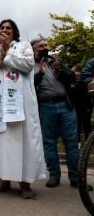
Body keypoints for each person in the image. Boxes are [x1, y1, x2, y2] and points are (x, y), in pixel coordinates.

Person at [0, 20, 45, 198]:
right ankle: (4, 179)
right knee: (1, 141)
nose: (5, 30)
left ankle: (25, 182)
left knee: (22, 140)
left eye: (8, 28)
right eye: (2, 28)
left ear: (14, 32)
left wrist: (7, 51)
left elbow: (28, 65)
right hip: (0, 104)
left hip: (21, 104)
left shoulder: (23, 46)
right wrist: (0, 58)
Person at [31, 37, 87, 190]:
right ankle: (54, 175)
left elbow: (73, 77)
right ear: (34, 50)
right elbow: (30, 84)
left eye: (46, 45)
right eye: (41, 46)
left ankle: (76, 178)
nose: (45, 47)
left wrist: (58, 71)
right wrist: (41, 74)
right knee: (49, 143)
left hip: (65, 105)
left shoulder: (56, 60)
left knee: (71, 143)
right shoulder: (29, 66)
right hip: (46, 108)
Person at [71, 67, 93, 143]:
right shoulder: (72, 85)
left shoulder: (85, 84)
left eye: (78, 76)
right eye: (76, 76)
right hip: (76, 108)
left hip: (86, 107)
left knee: (87, 125)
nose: (77, 77)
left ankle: (88, 141)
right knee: (77, 125)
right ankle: (78, 142)